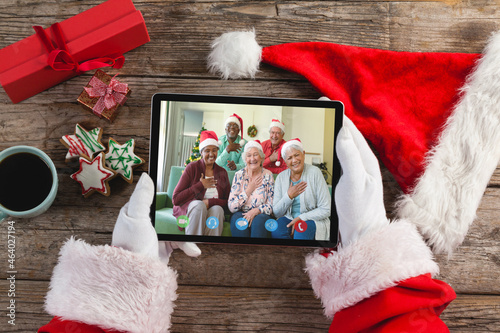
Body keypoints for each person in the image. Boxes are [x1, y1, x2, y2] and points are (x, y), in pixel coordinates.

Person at [38, 118, 455, 332]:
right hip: (208, 208)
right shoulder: (219, 172)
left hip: (253, 214)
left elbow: (258, 202)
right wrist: (206, 194)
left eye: (254, 155)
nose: (250, 160)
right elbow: (218, 197)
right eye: (212, 149)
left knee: (220, 214)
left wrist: (117, 289)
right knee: (207, 211)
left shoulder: (248, 172)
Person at [172, 130, 230, 236]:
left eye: (214, 150)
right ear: (201, 152)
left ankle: (211, 248)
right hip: (194, 209)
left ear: (218, 151)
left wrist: (209, 202)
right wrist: (200, 186)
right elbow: (176, 199)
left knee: (218, 210)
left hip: (212, 209)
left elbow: (228, 202)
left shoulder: (222, 172)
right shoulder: (192, 168)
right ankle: (192, 245)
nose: (211, 154)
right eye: (207, 151)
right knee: (199, 205)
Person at [272, 138, 331, 240]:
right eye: (289, 158)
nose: (294, 160)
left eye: (297, 155)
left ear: (303, 154)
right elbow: (276, 212)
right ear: (285, 161)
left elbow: (326, 209)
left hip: (311, 219)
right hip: (288, 218)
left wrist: (301, 218)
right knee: (277, 230)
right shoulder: (281, 177)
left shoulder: (315, 172)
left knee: (301, 232)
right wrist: (288, 196)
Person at [228, 140, 274, 238]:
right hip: (240, 213)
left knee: (259, 222)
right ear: (245, 159)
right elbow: (232, 206)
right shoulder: (239, 175)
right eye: (249, 156)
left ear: (261, 157)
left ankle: (257, 253)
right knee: (239, 221)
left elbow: (271, 205)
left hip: (261, 213)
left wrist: (257, 210)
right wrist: (249, 189)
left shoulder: (268, 175)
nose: (252, 159)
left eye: (255, 155)